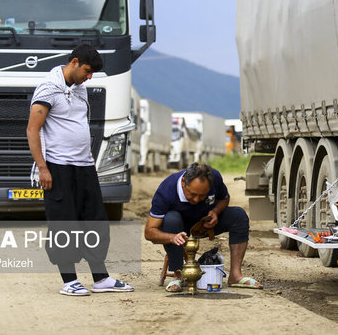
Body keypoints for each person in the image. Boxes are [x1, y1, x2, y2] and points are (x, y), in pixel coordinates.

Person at [26, 43, 133, 296]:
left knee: (95, 221)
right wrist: (43, 168)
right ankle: (69, 280)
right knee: (64, 224)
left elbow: (78, 123)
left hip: (84, 165)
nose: (89, 76)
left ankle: (101, 278)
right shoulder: (48, 89)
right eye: (87, 70)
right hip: (57, 167)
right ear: (74, 62)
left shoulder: (80, 88)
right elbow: (33, 129)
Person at [144, 162, 263, 292]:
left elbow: (224, 198)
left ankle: (235, 275)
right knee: (171, 219)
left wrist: (216, 212)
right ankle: (178, 276)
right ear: (183, 182)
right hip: (178, 228)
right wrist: (172, 237)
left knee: (239, 215)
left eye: (202, 196)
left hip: (204, 224)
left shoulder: (215, 178)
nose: (196, 200)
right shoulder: (166, 191)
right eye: (192, 194)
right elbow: (149, 232)